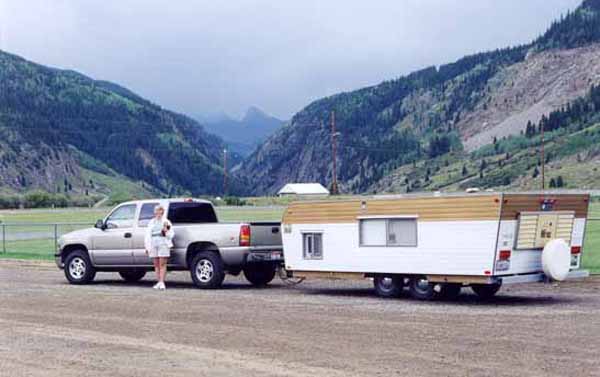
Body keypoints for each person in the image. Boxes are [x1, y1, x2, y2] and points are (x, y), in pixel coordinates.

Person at [144, 205, 174, 290]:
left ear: (162, 212)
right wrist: (147, 247)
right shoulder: (151, 222)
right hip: (153, 243)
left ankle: (162, 282)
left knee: (162, 263)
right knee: (156, 264)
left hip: (163, 243)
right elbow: (147, 235)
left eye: (160, 211)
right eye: (156, 211)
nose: (158, 213)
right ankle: (158, 282)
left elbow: (171, 234)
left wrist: (166, 232)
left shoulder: (166, 222)